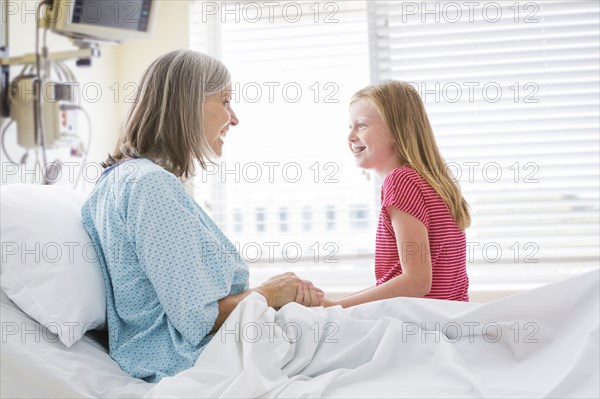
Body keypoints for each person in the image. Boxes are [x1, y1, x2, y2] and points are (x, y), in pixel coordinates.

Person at [81, 49, 323, 383]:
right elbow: (198, 318)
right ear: (188, 104)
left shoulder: (118, 181)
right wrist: (269, 293)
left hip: (184, 356)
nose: (234, 118)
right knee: (390, 330)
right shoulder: (151, 185)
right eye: (225, 101)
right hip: (194, 361)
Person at [324, 81, 471, 308]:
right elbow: (397, 280)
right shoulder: (435, 182)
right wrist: (335, 304)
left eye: (361, 125)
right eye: (350, 127)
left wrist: (333, 308)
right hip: (448, 320)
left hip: (419, 326)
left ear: (395, 130)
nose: (351, 136)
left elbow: (417, 282)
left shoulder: (400, 181)